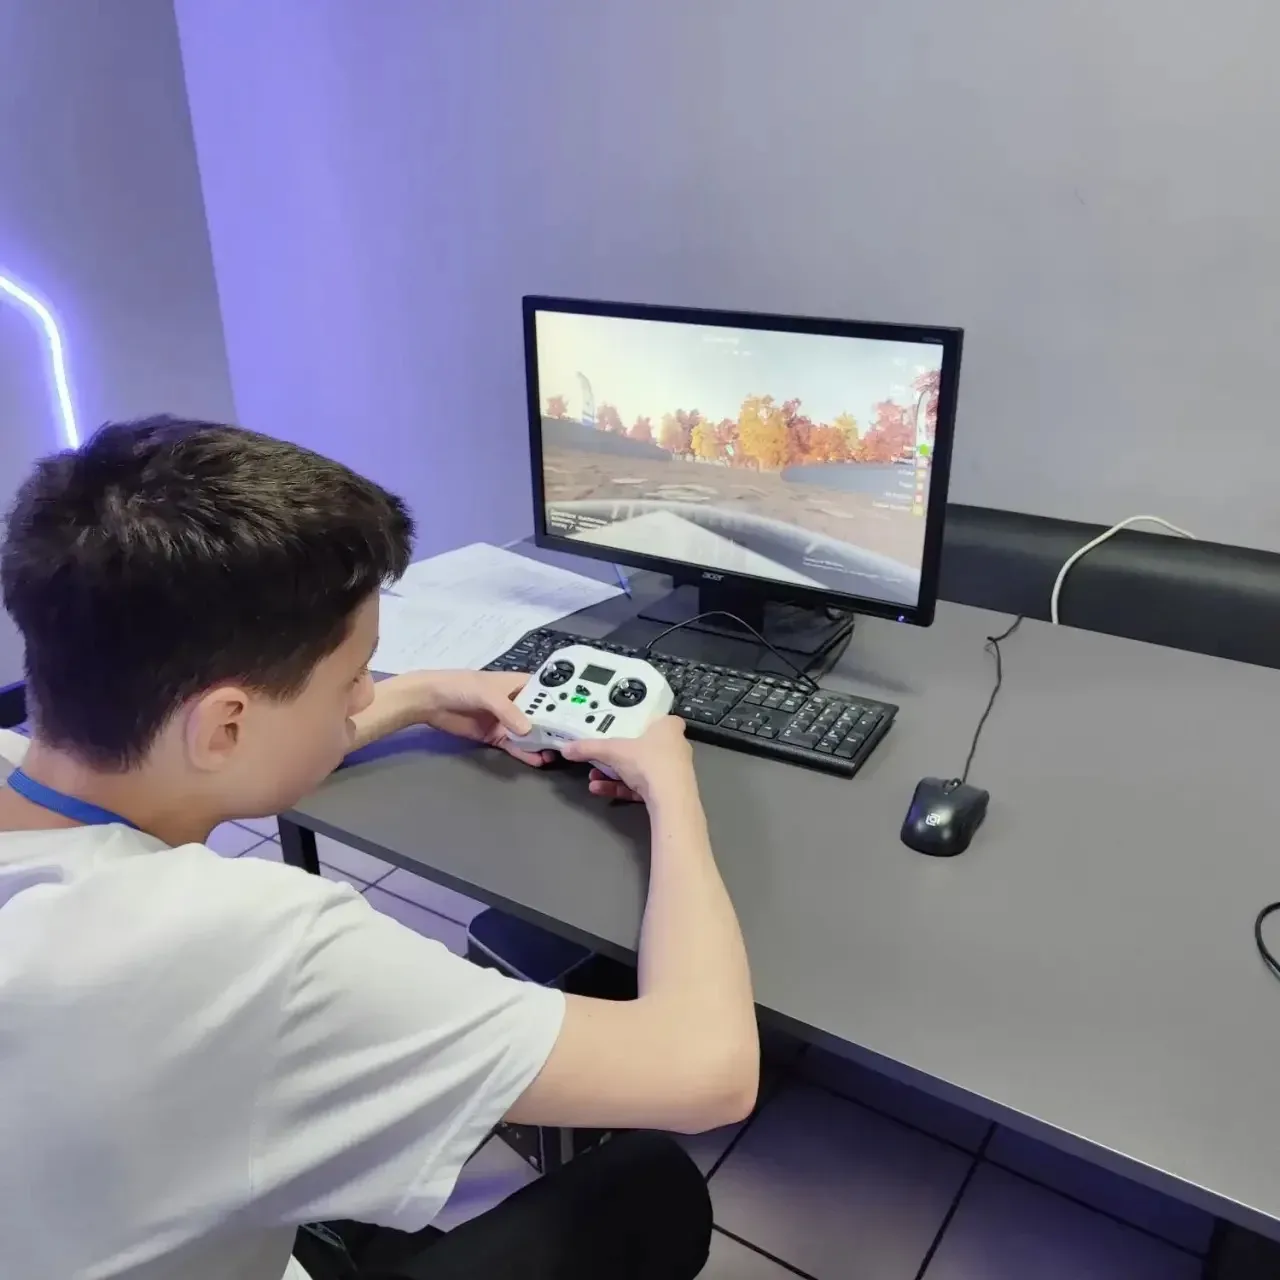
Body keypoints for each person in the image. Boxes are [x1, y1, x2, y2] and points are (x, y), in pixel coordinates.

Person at [0, 417, 759, 1280]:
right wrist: (670, 784)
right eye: (353, 677)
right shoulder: (242, 949)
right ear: (225, 726)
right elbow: (710, 1070)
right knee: (651, 1186)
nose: (367, 694)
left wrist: (419, 696)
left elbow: (191, 762)